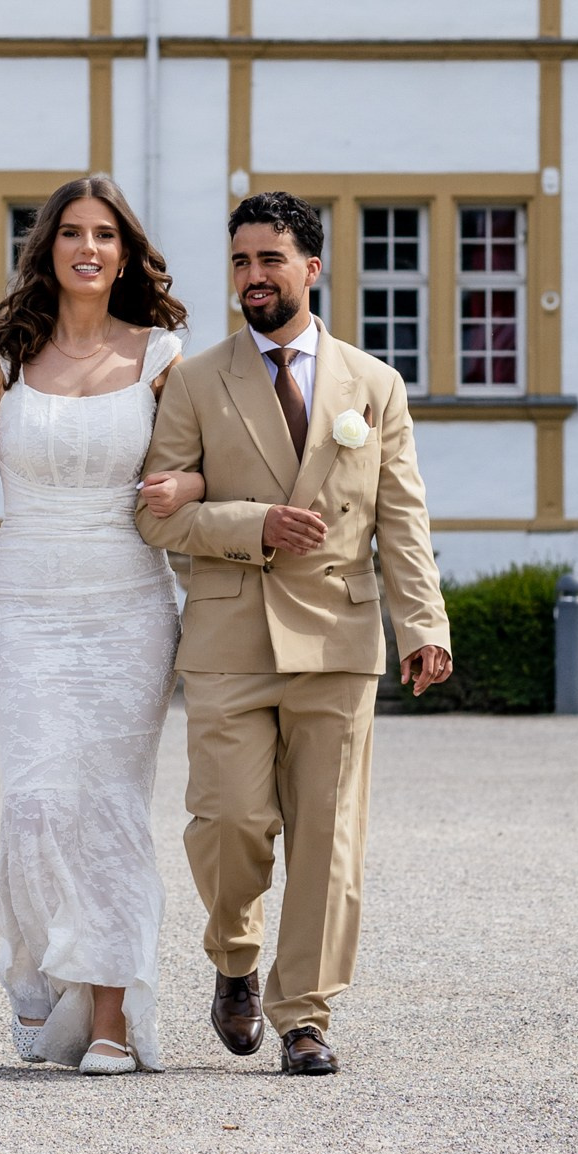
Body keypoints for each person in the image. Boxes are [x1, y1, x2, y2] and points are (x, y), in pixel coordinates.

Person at [135, 191, 452, 1076]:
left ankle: (304, 1014)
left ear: (311, 269)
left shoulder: (374, 385)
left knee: (327, 834)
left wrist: (423, 624)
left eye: (270, 260)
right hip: (230, 636)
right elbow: (157, 518)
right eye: (240, 262)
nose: (253, 277)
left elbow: (404, 519)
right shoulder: (198, 380)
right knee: (228, 820)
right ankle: (235, 954)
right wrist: (252, 525)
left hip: (341, 639)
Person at [0, 175, 199, 1074]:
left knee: (111, 806)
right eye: (71, 232)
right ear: (49, 249)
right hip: (28, 597)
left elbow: (200, 470)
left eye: (104, 234)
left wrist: (184, 486)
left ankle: (110, 1014)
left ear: (124, 252)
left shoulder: (163, 357)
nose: (88, 247)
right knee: (37, 803)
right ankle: (42, 977)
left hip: (128, 600)